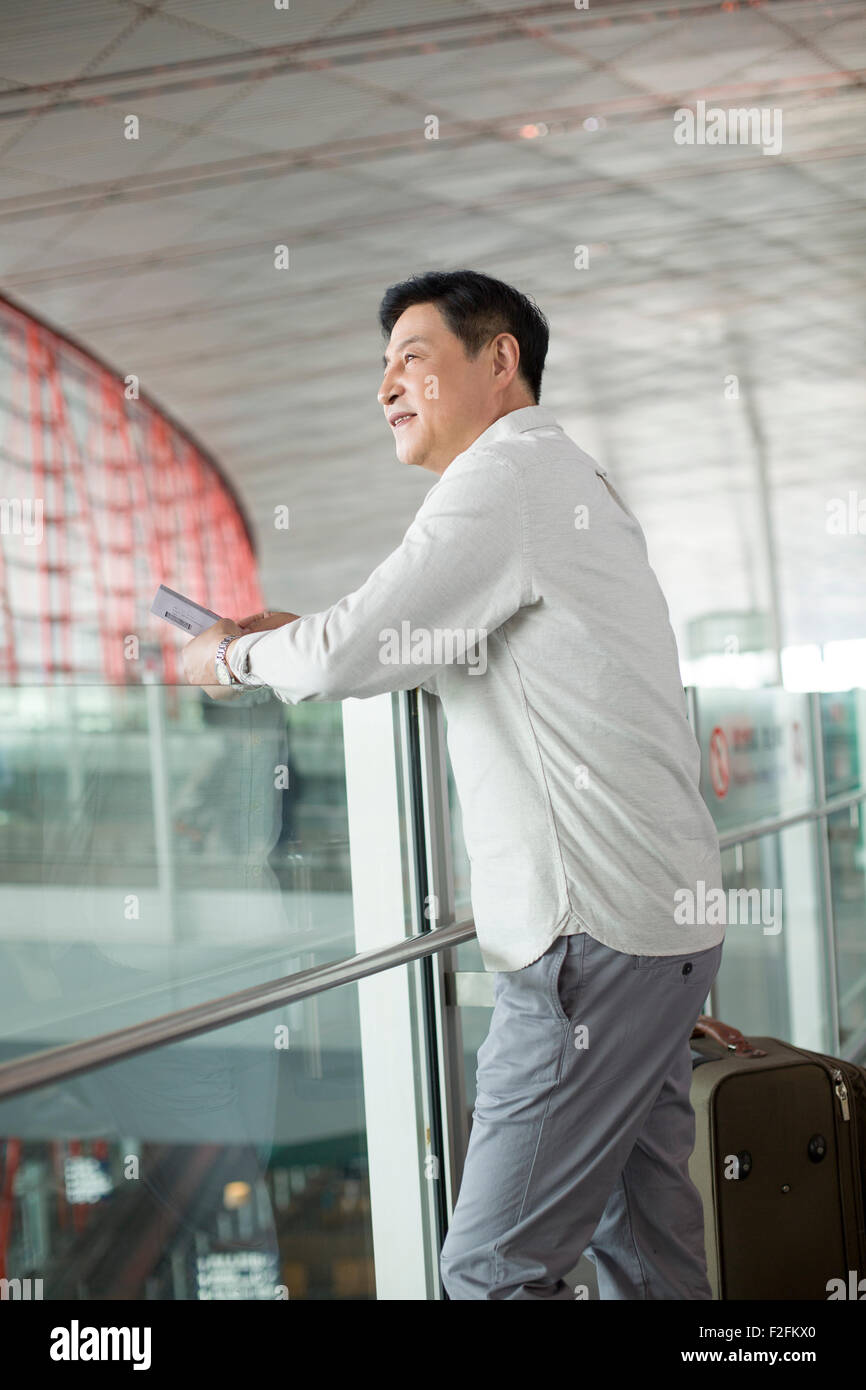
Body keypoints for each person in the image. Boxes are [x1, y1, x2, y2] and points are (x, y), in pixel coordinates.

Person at [182, 269, 726, 1300]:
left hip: (587, 939)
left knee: (489, 1269)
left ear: (499, 360)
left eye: (412, 356)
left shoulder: (499, 481)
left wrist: (235, 658)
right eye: (379, 366)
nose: (385, 382)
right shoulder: (561, 481)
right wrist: (300, 631)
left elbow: (352, 653)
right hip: (651, 926)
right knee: (647, 1254)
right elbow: (438, 646)